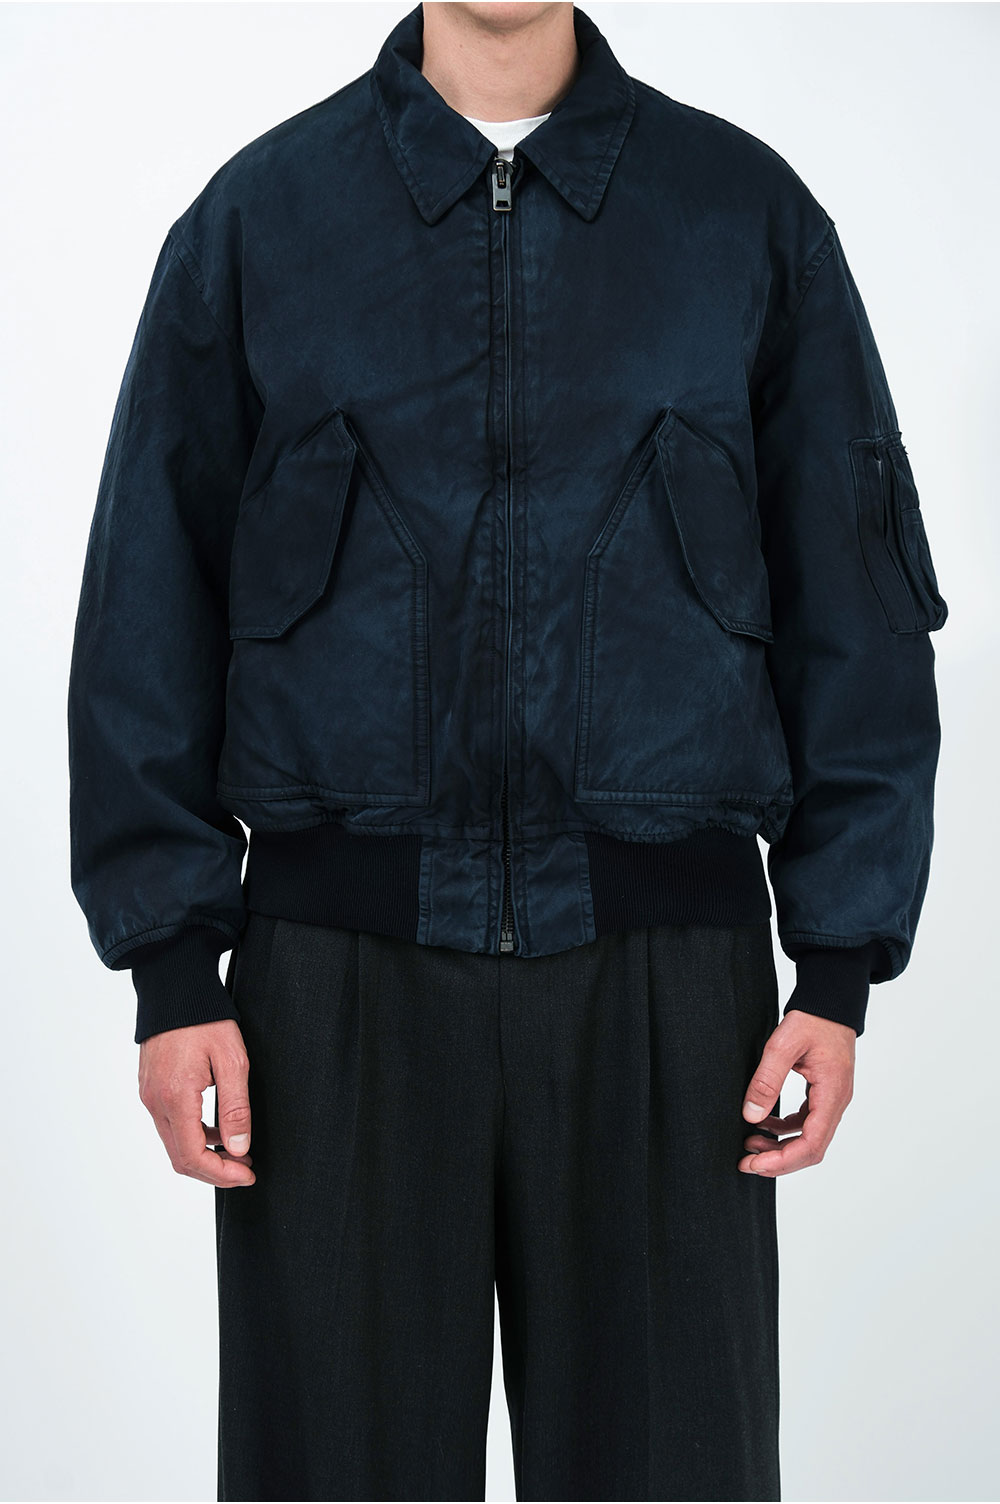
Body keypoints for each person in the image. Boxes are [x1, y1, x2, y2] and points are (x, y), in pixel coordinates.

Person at [66, 3, 948, 1500]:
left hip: (670, 991)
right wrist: (169, 968)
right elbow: (146, 600)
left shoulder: (743, 219)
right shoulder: (260, 222)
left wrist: (842, 963)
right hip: (332, 990)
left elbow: (852, 608)